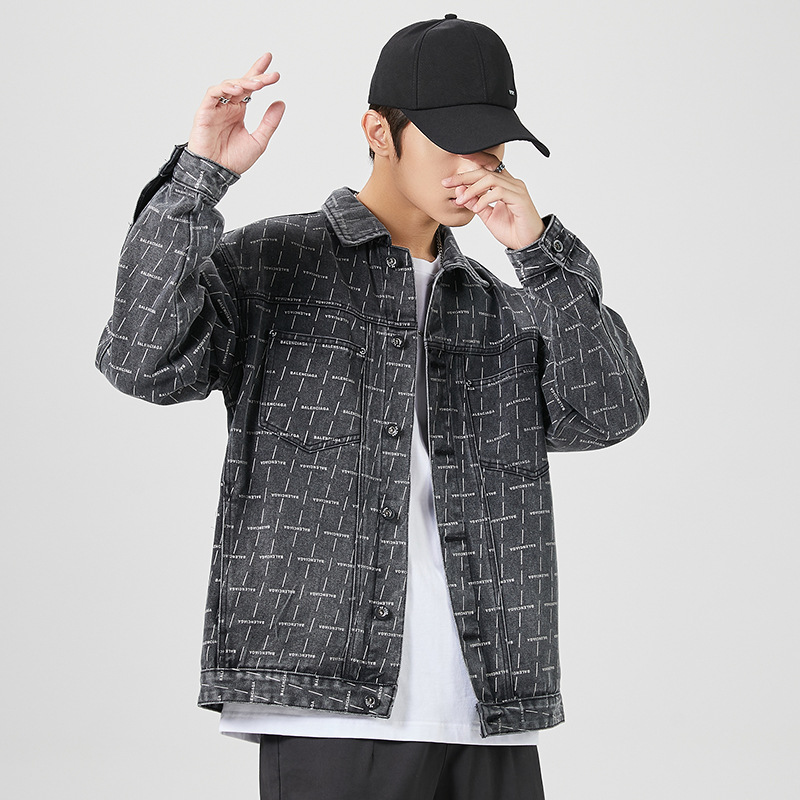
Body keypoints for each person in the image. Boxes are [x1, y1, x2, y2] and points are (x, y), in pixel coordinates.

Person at [95, 14, 649, 800]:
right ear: (378, 132)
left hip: (491, 707)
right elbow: (140, 358)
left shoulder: (505, 306)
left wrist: (538, 256)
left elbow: (611, 411)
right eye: (454, 139)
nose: (479, 165)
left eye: (493, 145)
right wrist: (199, 180)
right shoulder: (273, 262)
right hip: (330, 704)